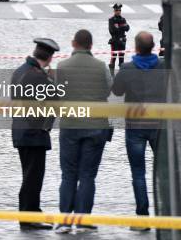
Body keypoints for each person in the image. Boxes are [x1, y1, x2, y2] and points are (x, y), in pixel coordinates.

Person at [54, 30, 112, 233]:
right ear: (91, 45)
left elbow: (57, 94)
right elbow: (108, 90)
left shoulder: (61, 67)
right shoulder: (101, 66)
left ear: (73, 43)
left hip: (70, 125)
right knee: (87, 175)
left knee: (68, 174)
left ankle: (64, 220)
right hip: (96, 126)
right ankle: (83, 219)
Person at [112, 32, 167, 230]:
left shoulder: (127, 68)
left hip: (135, 126)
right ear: (153, 47)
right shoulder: (163, 66)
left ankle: (142, 217)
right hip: (160, 124)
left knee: (138, 173)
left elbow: (116, 91)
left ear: (135, 48)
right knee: (164, 172)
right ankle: (167, 216)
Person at [11, 38, 60, 231]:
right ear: (49, 57)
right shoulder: (38, 76)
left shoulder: (20, 71)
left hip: (21, 130)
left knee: (29, 175)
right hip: (34, 133)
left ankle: (33, 212)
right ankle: (28, 217)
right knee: (33, 177)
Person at [108, 3, 130, 75]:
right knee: (113, 58)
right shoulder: (111, 20)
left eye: (119, 10)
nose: (118, 12)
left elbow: (127, 28)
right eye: (117, 10)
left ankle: (121, 75)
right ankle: (111, 75)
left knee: (121, 58)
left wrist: (119, 27)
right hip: (115, 41)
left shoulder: (123, 19)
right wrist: (122, 26)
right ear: (114, 11)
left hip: (122, 41)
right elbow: (112, 30)